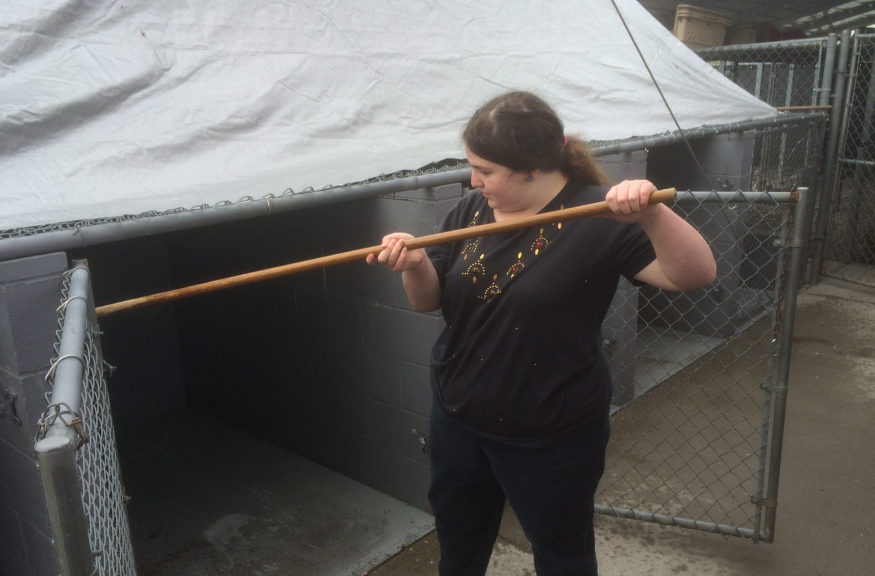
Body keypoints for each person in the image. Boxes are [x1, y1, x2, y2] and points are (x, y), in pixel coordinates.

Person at [366, 91, 716, 576]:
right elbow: (428, 301)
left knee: (562, 556)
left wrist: (653, 215)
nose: (473, 180)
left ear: (531, 167)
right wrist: (415, 263)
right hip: (458, 418)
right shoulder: (470, 210)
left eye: (485, 170)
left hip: (551, 436)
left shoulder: (597, 214)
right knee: (458, 547)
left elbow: (694, 276)